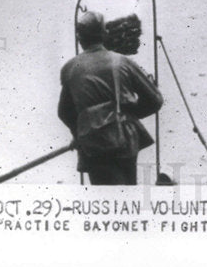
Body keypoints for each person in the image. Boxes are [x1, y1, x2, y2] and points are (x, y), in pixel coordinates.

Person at [58, 11, 163, 185]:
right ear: (104, 34)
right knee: (127, 196)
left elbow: (64, 112)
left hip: (91, 143)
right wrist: (126, 114)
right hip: (124, 141)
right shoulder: (122, 62)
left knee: (103, 198)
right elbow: (155, 101)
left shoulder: (70, 68)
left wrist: (78, 133)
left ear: (79, 38)